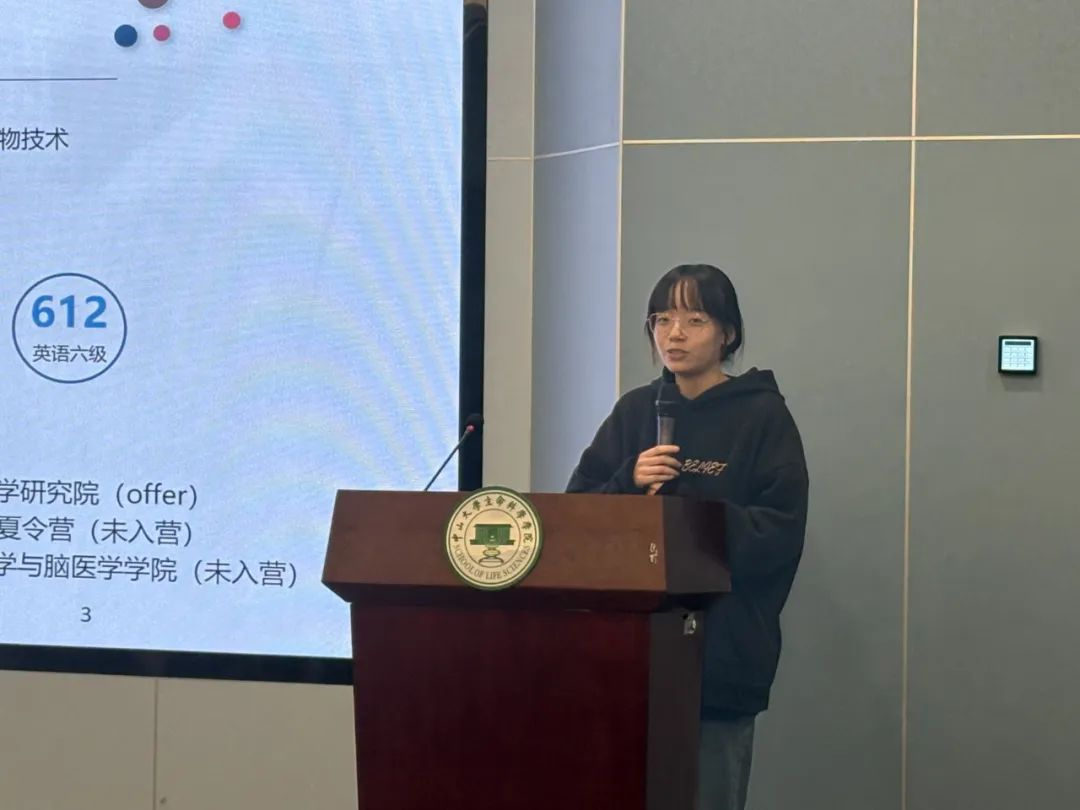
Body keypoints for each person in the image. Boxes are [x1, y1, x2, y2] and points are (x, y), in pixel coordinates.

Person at [566, 263, 809, 810]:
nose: (674, 334)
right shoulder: (635, 411)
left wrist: (689, 512)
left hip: (717, 662)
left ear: (727, 333)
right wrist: (628, 481)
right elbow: (577, 517)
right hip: (626, 658)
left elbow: (779, 532)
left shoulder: (763, 417)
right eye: (662, 319)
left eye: (694, 320)